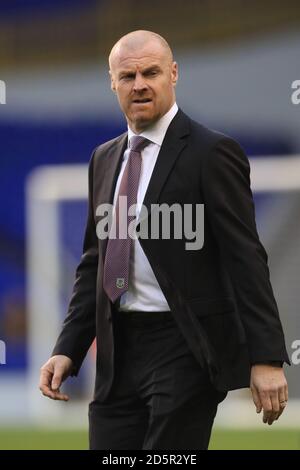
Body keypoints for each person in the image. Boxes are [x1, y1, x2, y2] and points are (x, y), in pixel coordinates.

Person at [39, 30, 290, 450]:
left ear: (173, 74)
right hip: (117, 352)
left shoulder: (212, 152)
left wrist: (265, 358)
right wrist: (69, 347)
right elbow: (94, 263)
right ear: (112, 82)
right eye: (128, 76)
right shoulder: (103, 158)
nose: (139, 84)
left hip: (185, 347)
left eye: (151, 72)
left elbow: (246, 258)